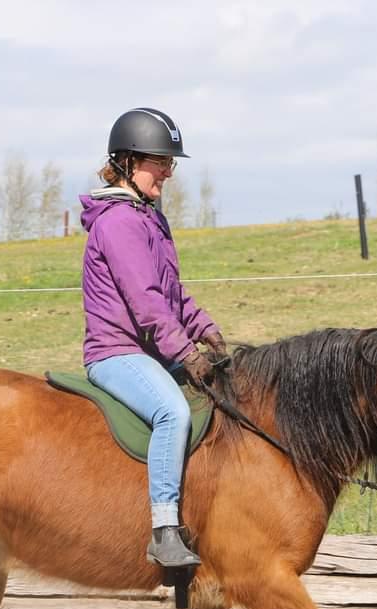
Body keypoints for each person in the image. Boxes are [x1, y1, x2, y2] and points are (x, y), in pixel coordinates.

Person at [80, 107, 227, 568]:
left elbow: (171, 293)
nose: (167, 171)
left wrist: (205, 329)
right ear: (127, 162)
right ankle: (164, 530)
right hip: (116, 353)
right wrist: (185, 351)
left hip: (150, 351)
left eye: (170, 163)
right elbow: (145, 301)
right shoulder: (119, 223)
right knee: (172, 412)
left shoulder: (149, 218)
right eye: (159, 161)